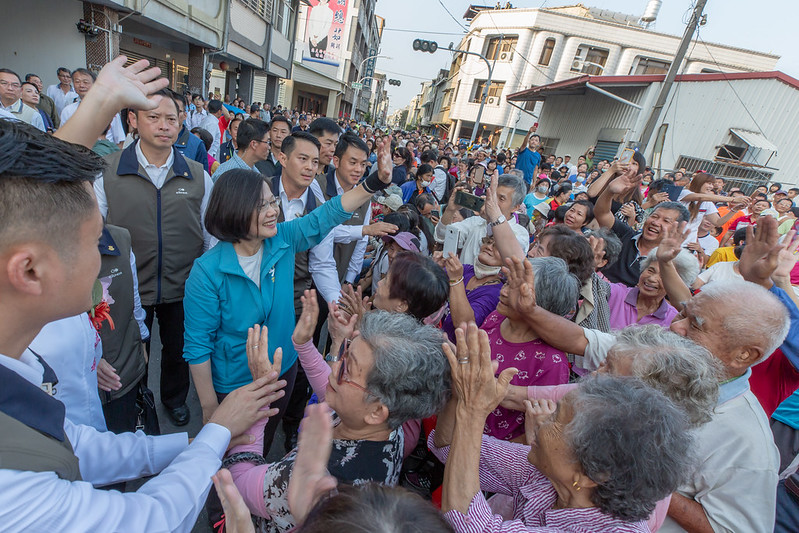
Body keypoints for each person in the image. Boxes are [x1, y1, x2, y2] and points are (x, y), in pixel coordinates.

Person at [0, 56, 286, 533]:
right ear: (29, 270)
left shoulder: (21, 364)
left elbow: (76, 443)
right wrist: (215, 432)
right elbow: (145, 519)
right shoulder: (14, 488)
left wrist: (193, 440)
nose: (109, 254)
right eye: (96, 241)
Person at [500, 220, 794, 532]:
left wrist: (639, 480)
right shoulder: (649, 352)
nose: (677, 327)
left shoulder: (746, 442)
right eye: (681, 312)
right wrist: (529, 311)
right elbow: (580, 340)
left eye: (695, 323)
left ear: (744, 354)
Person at [183, 132, 396, 451]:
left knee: (261, 447)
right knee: (225, 459)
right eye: (263, 206)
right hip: (236, 383)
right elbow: (198, 347)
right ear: (235, 211)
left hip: (282, 369)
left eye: (273, 202)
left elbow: (326, 216)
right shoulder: (206, 272)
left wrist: (374, 182)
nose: (273, 211)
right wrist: (210, 409)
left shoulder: (281, 241)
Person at [431, 324, 693, 533]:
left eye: (556, 420)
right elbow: (448, 447)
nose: (541, 422)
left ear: (590, 475)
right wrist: (461, 394)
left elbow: (472, 527)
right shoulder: (547, 472)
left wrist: (472, 412)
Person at [226, 309, 451, 532]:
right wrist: (304, 345)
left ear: (376, 411)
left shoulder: (312, 480)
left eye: (347, 367)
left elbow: (238, 483)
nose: (335, 368)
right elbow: (334, 391)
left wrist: (260, 397)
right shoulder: (391, 428)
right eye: (346, 349)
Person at [95, 88, 216, 426]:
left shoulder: (197, 175)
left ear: (181, 125)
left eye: (172, 119)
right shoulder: (107, 172)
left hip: (184, 286)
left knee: (180, 350)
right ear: (133, 120)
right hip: (126, 290)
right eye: (154, 117)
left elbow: (210, 235)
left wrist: (202, 281)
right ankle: (136, 401)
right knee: (133, 352)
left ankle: (174, 399)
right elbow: (94, 232)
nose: (164, 126)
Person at [481, 256, 579, 441]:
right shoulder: (495, 318)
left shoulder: (551, 361)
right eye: (506, 283)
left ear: (539, 305)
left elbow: (540, 429)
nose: (503, 292)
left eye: (515, 290)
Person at [595, 170, 691, 287]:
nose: (655, 222)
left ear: (677, 229)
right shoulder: (625, 234)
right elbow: (602, 214)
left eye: (666, 221)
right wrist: (609, 191)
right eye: (654, 216)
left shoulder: (668, 262)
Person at [436, 175, 530, 265]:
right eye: (492, 195)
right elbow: (444, 235)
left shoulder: (520, 233)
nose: (493, 201)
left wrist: (492, 219)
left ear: (515, 207)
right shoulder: (475, 222)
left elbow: (512, 257)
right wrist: (450, 210)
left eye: (501, 199)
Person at [607, 248, 698, 330]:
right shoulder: (615, 293)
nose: (652, 278)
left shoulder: (672, 319)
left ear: (673, 285)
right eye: (650, 270)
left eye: (663, 276)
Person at [60, 68, 126, 145]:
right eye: (77, 82)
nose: (81, 85)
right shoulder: (68, 111)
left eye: (85, 82)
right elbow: (63, 139)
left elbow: (120, 141)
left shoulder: (109, 109)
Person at [172, 91, 209, 172]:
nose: (172, 114)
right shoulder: (153, 141)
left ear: (185, 115)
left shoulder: (197, 145)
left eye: (177, 110)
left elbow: (203, 179)